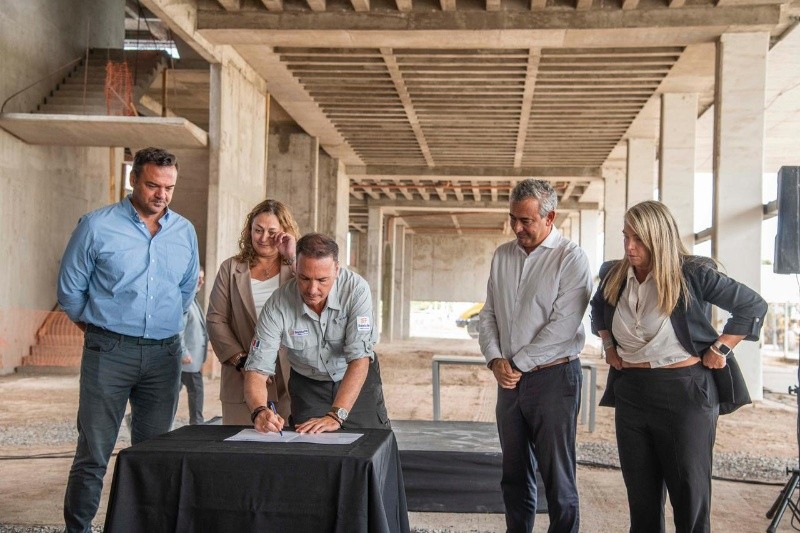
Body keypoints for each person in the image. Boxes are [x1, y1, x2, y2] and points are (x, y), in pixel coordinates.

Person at [589, 200, 767, 533]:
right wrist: (608, 344)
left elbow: (752, 306)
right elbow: (598, 308)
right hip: (630, 391)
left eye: (639, 239)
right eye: (626, 236)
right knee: (640, 499)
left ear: (659, 237)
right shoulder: (614, 274)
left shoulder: (692, 274)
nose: (629, 246)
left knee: (689, 496)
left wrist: (721, 347)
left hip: (683, 392)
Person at [58, 147, 199, 533]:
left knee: (153, 454)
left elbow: (185, 291)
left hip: (163, 356)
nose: (161, 195)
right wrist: (98, 328)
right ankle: (79, 529)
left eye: (169, 187)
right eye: (153, 184)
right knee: (94, 452)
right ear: (133, 179)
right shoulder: (96, 226)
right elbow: (70, 290)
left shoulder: (184, 231)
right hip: (109, 352)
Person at [478, 179, 592, 533]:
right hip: (508, 380)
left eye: (526, 221)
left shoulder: (571, 258)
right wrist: (496, 359)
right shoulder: (503, 256)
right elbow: (488, 314)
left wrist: (515, 364)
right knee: (513, 474)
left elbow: (563, 326)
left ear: (550, 217)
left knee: (557, 477)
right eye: (513, 218)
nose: (517, 227)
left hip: (554, 379)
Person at [243, 232, 390, 434]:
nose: (312, 290)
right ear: (296, 269)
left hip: (355, 379)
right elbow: (257, 370)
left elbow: (359, 359)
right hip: (308, 386)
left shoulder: (356, 290)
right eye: (304, 278)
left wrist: (336, 415)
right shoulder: (278, 304)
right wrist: (259, 411)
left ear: (336, 270)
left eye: (322, 280)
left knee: (373, 444)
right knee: (310, 450)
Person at [206, 199, 299, 424]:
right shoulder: (231, 268)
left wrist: (294, 257)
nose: (264, 237)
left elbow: (315, 299)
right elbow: (216, 319)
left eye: (272, 231)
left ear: (285, 233)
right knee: (240, 449)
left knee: (288, 452)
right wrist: (242, 361)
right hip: (241, 374)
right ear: (249, 231)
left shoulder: (297, 268)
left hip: (290, 376)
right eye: (258, 230)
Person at [179, 267, 208, 425]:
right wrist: (183, 353)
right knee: (196, 391)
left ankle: (133, 418)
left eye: (202, 278)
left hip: (193, 358)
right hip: (187, 359)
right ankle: (197, 424)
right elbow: (178, 329)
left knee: (171, 394)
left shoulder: (193, 299)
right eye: (198, 278)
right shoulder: (184, 300)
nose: (201, 281)